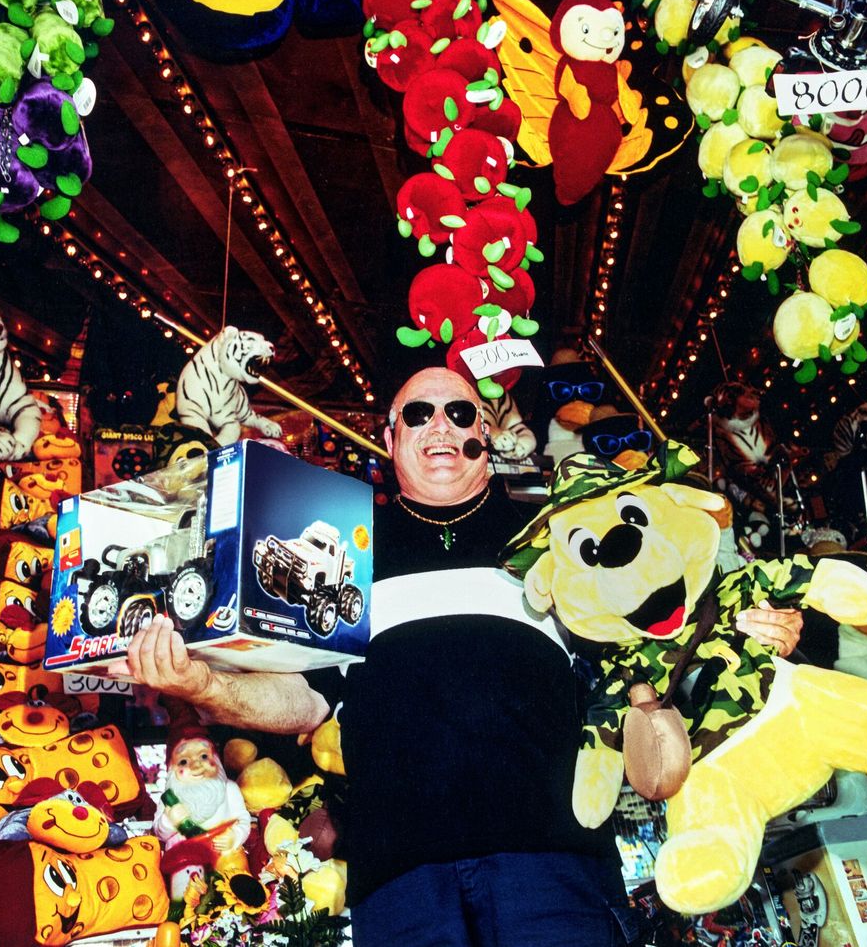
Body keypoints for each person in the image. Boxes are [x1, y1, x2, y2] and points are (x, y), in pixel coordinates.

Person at [113, 366, 802, 947]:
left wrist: (746, 622)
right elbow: (304, 696)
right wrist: (200, 681)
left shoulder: (558, 534)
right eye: (418, 413)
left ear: (486, 433)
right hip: (402, 884)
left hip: (553, 868)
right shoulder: (348, 549)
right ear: (390, 438)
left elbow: (656, 637)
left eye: (458, 411)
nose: (439, 425)